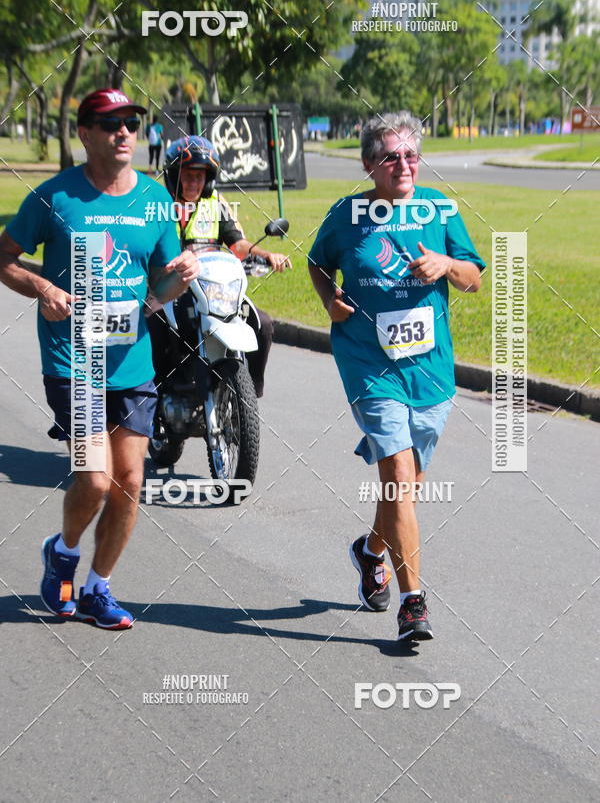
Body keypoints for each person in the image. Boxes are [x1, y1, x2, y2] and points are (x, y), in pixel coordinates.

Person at [0, 88, 200, 629]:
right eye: (110, 123)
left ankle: (97, 588)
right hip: (74, 360)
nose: (124, 132)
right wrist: (42, 287)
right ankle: (63, 553)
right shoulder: (54, 199)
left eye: (131, 123)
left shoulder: (157, 201)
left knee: (130, 481)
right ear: (84, 134)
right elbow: (4, 260)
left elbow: (156, 283)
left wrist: (177, 277)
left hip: (132, 364)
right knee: (93, 478)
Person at [308, 111, 485, 642]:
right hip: (368, 362)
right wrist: (330, 301)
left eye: (411, 155)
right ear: (369, 165)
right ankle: (414, 603)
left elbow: (473, 277)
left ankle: (370, 551)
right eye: (390, 156)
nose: (403, 164)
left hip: (430, 370)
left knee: (407, 485)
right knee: (399, 477)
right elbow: (319, 263)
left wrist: (445, 266)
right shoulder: (347, 215)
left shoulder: (439, 209)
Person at [147, 135, 290, 398]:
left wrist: (266, 254)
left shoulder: (216, 205)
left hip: (213, 290)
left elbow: (237, 245)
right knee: (154, 322)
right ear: (174, 175)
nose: (194, 182)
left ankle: (247, 398)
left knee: (264, 324)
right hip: (170, 290)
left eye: (200, 176)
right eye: (188, 175)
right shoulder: (158, 206)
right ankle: (152, 397)